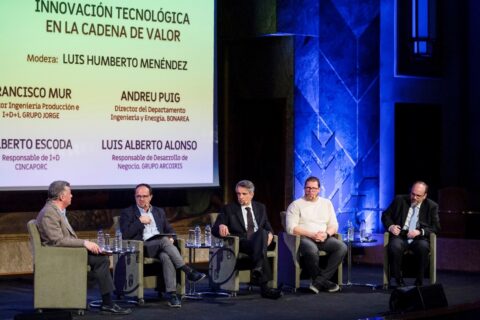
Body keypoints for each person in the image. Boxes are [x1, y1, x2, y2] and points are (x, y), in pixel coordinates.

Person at [36, 181, 131, 315]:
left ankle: (107, 301)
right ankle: (108, 303)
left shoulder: (57, 211)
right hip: (57, 256)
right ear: (62, 197)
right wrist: (84, 243)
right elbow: (57, 240)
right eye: (70, 193)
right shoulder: (49, 213)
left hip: (64, 253)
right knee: (101, 260)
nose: (72, 196)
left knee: (101, 257)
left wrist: (87, 245)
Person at [119, 183, 206, 308]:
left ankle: (172, 295)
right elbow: (126, 235)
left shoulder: (159, 212)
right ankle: (188, 271)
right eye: (138, 196)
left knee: (165, 255)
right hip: (142, 247)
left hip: (160, 245)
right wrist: (139, 221)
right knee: (164, 240)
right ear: (135, 197)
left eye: (144, 196)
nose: (141, 199)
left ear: (150, 197)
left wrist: (172, 237)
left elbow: (170, 230)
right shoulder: (128, 213)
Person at [211, 180, 283, 299]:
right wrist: (221, 226)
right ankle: (261, 276)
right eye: (238, 194)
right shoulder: (229, 209)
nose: (240, 197)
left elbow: (267, 226)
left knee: (261, 233)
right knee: (261, 237)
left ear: (251, 194)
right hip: (242, 243)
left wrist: (270, 233)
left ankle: (261, 277)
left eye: (244, 194)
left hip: (261, 241)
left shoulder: (260, 207)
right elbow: (214, 230)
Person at [285, 176, 347, 293]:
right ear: (304, 189)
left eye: (314, 188)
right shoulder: (296, 204)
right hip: (304, 238)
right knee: (311, 250)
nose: (310, 191)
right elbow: (291, 228)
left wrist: (326, 234)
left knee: (342, 247)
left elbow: (334, 224)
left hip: (323, 238)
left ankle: (319, 281)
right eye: (308, 188)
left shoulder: (326, 203)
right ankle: (325, 282)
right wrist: (312, 235)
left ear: (319, 189)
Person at [382, 181, 440, 287]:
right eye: (413, 194)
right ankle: (398, 280)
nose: (414, 197)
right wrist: (391, 226)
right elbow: (385, 215)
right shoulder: (399, 200)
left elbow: (436, 227)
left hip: (419, 237)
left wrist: (420, 231)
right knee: (394, 245)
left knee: (423, 247)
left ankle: (419, 280)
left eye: (418, 196)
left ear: (425, 196)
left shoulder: (432, 206)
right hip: (400, 235)